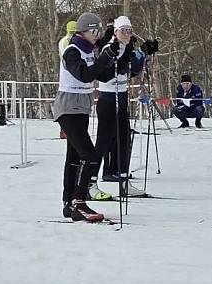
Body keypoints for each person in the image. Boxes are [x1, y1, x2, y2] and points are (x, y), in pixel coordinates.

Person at [52, 11, 118, 222]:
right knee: (89, 155)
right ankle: (79, 201)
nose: (98, 35)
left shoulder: (90, 51)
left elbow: (102, 75)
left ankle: (69, 202)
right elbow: (85, 75)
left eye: (99, 31)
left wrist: (119, 59)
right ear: (84, 31)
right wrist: (106, 57)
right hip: (68, 108)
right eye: (95, 31)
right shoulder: (72, 51)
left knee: (74, 156)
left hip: (81, 108)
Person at [96, 15, 145, 189]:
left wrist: (143, 53)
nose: (127, 34)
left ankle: (124, 179)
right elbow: (104, 71)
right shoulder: (109, 47)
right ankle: (93, 179)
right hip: (108, 97)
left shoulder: (127, 47)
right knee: (105, 140)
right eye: (123, 31)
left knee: (124, 138)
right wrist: (120, 64)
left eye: (129, 31)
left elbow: (132, 70)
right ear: (116, 32)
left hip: (122, 95)